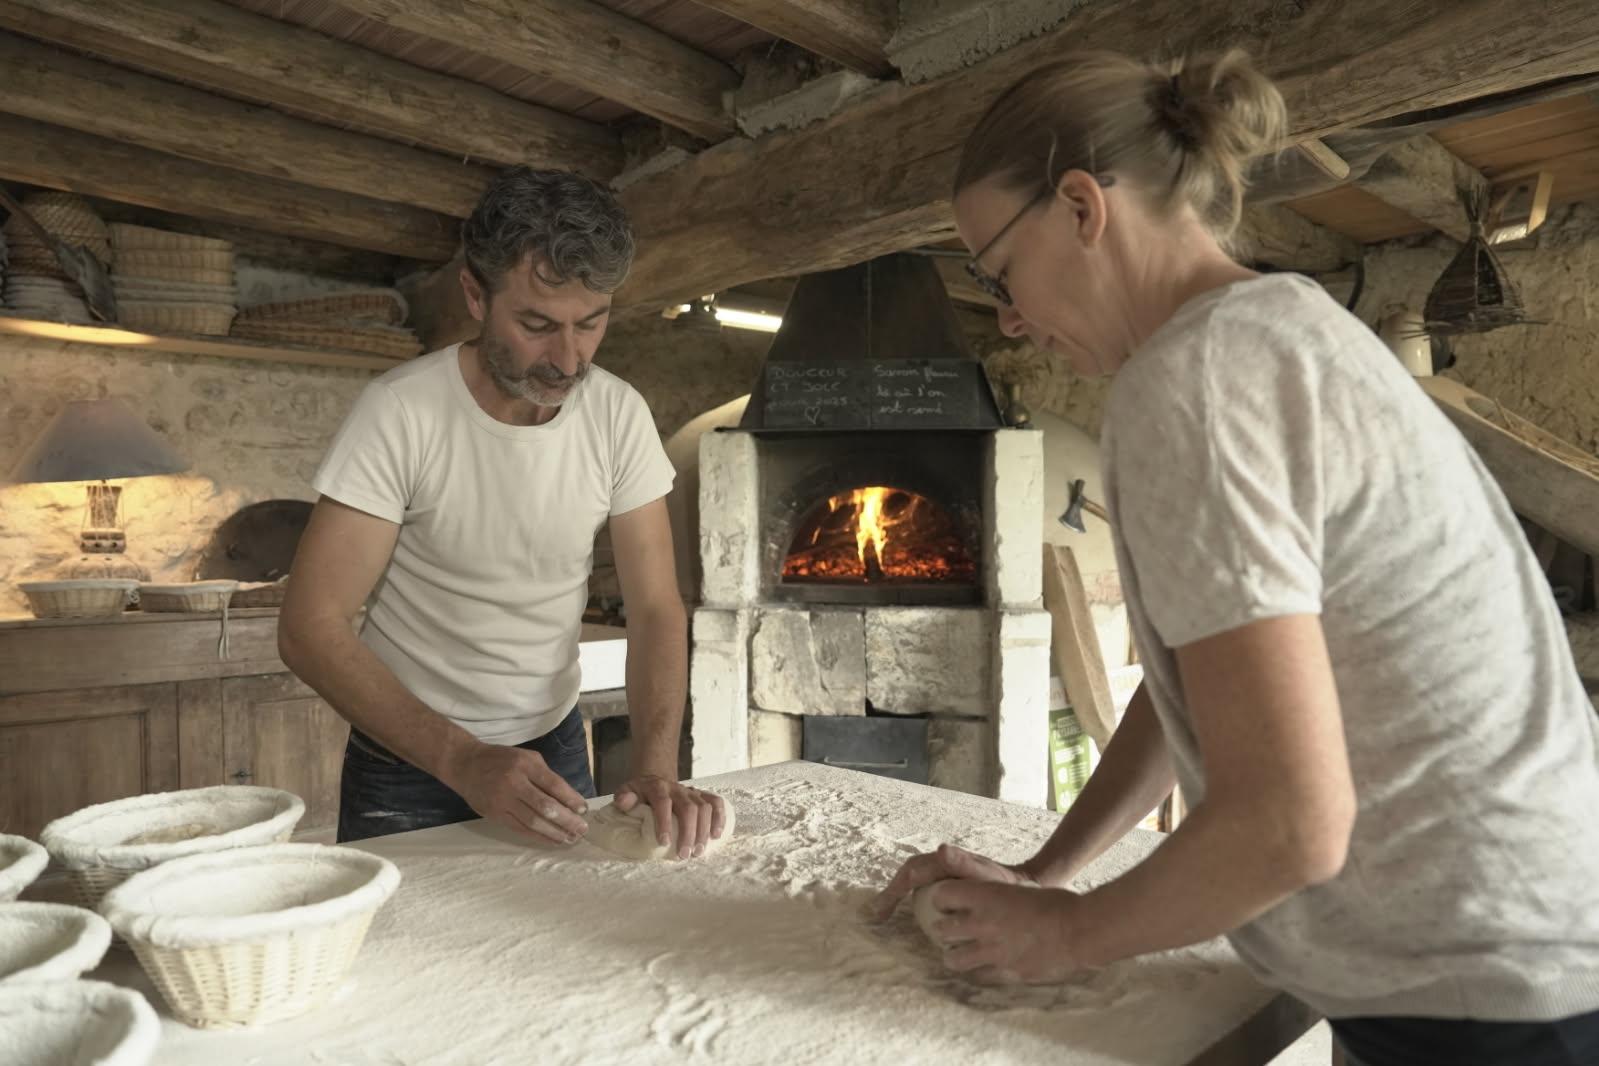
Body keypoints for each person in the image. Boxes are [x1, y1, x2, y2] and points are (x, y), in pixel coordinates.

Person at [872, 49, 1599, 1066]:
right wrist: (1049, 875)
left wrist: (1066, 935)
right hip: (1505, 940)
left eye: (999, 271)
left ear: (1082, 207)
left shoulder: (1195, 385)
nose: (1010, 317)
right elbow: (1202, 694)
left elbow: (1291, 824)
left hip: (1489, 989)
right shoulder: (1286, 329)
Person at [279, 167, 726, 857]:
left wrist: (655, 769)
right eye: (537, 324)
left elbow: (656, 609)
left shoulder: (617, 415)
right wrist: (459, 758)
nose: (568, 360)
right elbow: (310, 626)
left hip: (552, 749)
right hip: (409, 760)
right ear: (474, 296)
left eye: (591, 323)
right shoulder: (401, 411)